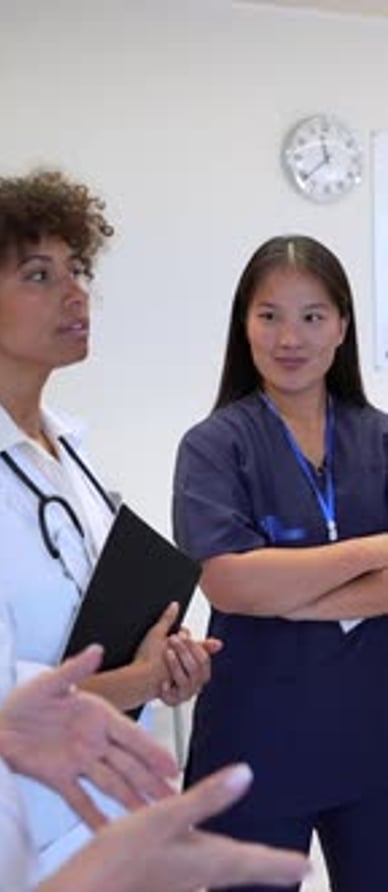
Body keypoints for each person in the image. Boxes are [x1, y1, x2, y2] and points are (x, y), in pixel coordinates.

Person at [0, 201, 311, 891]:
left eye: (76, 270)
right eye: (39, 275)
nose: (75, 294)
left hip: (100, 818)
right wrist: (136, 680)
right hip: (16, 843)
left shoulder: (71, 451)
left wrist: (164, 659)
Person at [173, 233, 388, 892]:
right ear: (245, 325)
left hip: (374, 739)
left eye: (312, 316)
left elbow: (254, 584)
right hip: (256, 743)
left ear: (342, 327)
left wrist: (283, 591)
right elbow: (228, 582)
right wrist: (375, 552)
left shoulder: (381, 438)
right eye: (269, 316)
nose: (290, 338)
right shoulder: (215, 447)